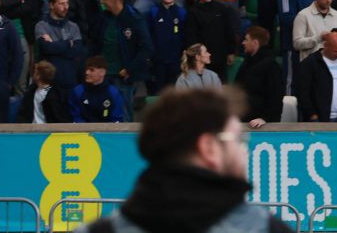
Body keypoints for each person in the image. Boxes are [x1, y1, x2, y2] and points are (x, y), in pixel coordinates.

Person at [85, 86, 293, 233]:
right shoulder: (265, 228)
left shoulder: (99, 230)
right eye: (238, 139)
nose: (243, 151)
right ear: (209, 148)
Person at [185, 0, 239, 81]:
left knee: (222, 85)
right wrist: (195, 56)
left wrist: (231, 52)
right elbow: (191, 36)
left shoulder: (221, 8)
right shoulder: (193, 12)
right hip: (202, 58)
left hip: (221, 56)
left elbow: (228, 31)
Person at [295, 31, 337, 123]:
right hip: (318, 119)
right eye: (335, 51)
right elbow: (302, 92)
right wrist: (311, 114)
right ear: (325, 45)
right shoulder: (310, 63)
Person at [279, 0, 316, 92]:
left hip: (313, 45)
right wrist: (310, 25)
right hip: (293, 46)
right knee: (291, 85)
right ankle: (288, 114)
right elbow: (286, 17)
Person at [35, 0, 86, 94]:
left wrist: (54, 46)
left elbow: (77, 51)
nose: (66, 7)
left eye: (67, 3)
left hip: (70, 81)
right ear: (51, 5)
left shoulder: (73, 27)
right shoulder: (41, 26)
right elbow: (46, 48)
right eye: (61, 4)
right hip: (49, 84)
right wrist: (68, 44)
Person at [234, 26, 282, 127]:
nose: (243, 43)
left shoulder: (271, 65)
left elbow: (276, 97)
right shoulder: (246, 63)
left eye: (246, 39)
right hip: (242, 120)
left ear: (255, 43)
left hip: (260, 124)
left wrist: (265, 118)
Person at [70, 55, 126, 122]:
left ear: (102, 72)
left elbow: (117, 118)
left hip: (107, 131)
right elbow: (75, 116)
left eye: (91, 70)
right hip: (84, 130)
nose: (87, 72)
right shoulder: (77, 91)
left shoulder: (113, 93)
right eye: (86, 69)